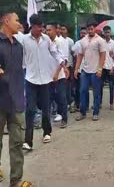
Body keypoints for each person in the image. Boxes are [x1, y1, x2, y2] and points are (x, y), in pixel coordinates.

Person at [23, 14, 68, 151]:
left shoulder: (46, 39)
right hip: (31, 79)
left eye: (42, 27)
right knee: (30, 110)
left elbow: (55, 53)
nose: (41, 30)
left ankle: (46, 132)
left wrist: (63, 65)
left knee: (45, 109)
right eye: (38, 27)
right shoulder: (24, 40)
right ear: (32, 26)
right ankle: (28, 141)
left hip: (45, 80)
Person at [0, 10, 33, 187]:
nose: (20, 24)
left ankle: (16, 180)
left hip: (17, 100)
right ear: (6, 21)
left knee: (17, 142)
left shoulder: (18, 46)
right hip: (0, 100)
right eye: (17, 20)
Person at [74, 23, 107, 121]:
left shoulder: (100, 40)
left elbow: (103, 55)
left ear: (95, 29)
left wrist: (100, 69)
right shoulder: (83, 41)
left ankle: (95, 113)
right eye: (89, 29)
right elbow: (80, 55)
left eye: (92, 29)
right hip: (85, 70)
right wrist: (76, 69)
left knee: (96, 93)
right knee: (83, 91)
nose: (90, 31)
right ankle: (83, 112)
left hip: (95, 70)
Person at [46, 23, 69, 128]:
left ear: (56, 30)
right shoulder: (45, 42)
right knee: (50, 97)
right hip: (47, 75)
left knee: (61, 97)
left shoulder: (61, 42)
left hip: (59, 75)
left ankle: (64, 118)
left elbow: (63, 59)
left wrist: (57, 72)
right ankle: (47, 120)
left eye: (50, 30)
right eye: (46, 30)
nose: (47, 32)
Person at [101, 26, 114, 110]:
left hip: (110, 67)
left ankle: (111, 103)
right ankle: (99, 103)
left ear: (110, 33)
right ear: (103, 33)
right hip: (103, 67)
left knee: (111, 86)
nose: (107, 34)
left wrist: (113, 67)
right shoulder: (101, 42)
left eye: (108, 32)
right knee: (100, 86)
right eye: (106, 32)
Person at [72, 27, 88, 112]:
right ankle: (78, 105)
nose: (83, 35)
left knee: (85, 89)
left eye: (84, 33)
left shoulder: (90, 42)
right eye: (81, 33)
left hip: (87, 69)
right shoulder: (77, 43)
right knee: (78, 89)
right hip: (78, 69)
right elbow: (73, 52)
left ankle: (86, 106)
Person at [60, 25, 75, 112]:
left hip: (68, 67)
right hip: (60, 66)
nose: (62, 30)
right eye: (61, 29)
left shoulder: (70, 41)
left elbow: (73, 53)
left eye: (63, 29)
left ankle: (70, 102)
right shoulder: (58, 40)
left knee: (67, 87)